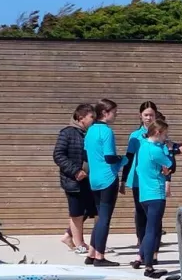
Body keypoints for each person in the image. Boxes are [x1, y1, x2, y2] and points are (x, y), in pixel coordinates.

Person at [83, 98, 123, 266]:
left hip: (94, 179)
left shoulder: (90, 130)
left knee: (100, 218)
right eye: (114, 112)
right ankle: (100, 256)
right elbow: (110, 157)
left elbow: (86, 155)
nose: (116, 115)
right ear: (105, 113)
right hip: (108, 178)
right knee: (105, 219)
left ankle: (91, 254)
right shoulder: (107, 131)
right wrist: (123, 159)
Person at [132, 116, 174, 269]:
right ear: (157, 132)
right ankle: (149, 266)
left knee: (149, 227)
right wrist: (169, 150)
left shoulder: (143, 147)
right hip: (156, 194)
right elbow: (170, 166)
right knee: (152, 230)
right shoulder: (156, 150)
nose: (165, 138)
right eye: (164, 135)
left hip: (144, 195)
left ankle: (139, 258)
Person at [54, 103, 96, 254]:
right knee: (77, 212)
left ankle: (68, 236)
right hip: (73, 180)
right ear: (81, 118)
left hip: (88, 179)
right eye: (91, 117)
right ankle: (80, 243)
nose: (94, 120)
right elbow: (58, 155)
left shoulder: (89, 133)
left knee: (89, 210)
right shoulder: (68, 133)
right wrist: (75, 171)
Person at [123, 102, 160, 241]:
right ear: (140, 116)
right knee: (140, 210)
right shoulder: (135, 136)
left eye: (151, 115)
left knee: (154, 211)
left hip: (154, 177)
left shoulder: (159, 133)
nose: (149, 118)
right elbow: (129, 158)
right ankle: (141, 239)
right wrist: (123, 180)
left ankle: (153, 240)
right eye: (146, 115)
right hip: (138, 178)